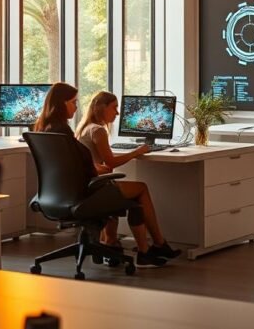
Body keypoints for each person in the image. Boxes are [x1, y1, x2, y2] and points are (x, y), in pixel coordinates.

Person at [32, 83, 169, 267]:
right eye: (73, 102)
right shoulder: (64, 132)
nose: (76, 107)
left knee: (125, 193)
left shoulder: (45, 129)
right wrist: (98, 169)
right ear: (61, 104)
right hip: (83, 193)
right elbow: (86, 165)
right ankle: (152, 248)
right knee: (140, 190)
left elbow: (69, 164)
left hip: (56, 196)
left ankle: (112, 244)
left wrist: (93, 166)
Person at [76, 92, 181, 260]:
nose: (117, 113)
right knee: (141, 189)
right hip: (96, 188)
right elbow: (111, 163)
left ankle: (120, 244)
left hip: (85, 186)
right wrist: (137, 152)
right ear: (102, 108)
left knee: (134, 195)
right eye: (114, 108)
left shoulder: (84, 128)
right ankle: (158, 244)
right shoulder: (98, 131)